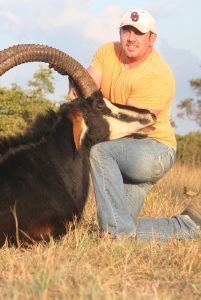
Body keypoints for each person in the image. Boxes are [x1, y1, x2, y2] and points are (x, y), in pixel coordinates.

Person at [69, 9, 201, 242]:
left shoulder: (156, 76)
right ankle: (186, 227)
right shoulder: (107, 52)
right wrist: (75, 85)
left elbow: (126, 128)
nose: (131, 38)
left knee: (99, 152)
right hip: (123, 153)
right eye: (126, 31)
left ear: (152, 38)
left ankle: (116, 230)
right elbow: (87, 86)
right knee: (121, 230)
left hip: (152, 151)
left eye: (139, 33)